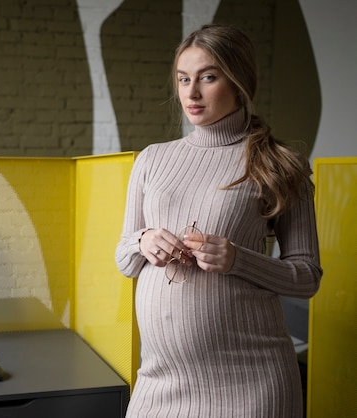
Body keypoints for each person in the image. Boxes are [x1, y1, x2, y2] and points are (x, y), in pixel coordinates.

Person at [115, 24, 322, 417]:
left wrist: (238, 259)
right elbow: (125, 261)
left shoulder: (279, 164)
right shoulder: (152, 159)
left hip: (253, 381)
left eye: (208, 77)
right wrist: (141, 240)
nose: (191, 93)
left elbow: (307, 276)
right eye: (183, 79)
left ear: (240, 81)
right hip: (160, 381)